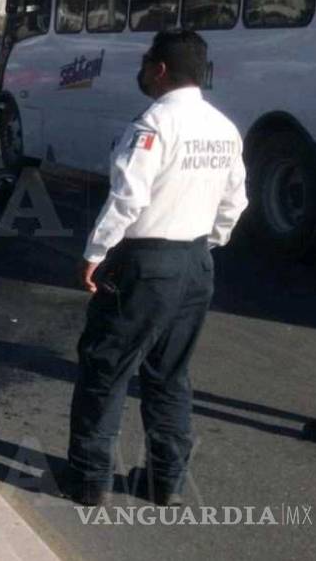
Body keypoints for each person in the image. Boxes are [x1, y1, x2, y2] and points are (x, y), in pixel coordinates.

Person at [63, 30, 248, 507]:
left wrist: (96, 252)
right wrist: (209, 242)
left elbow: (129, 196)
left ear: (160, 69)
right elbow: (235, 201)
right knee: (170, 375)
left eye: (147, 63)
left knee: (106, 367)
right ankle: (165, 480)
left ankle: (88, 478)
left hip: (147, 264)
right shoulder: (223, 127)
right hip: (195, 263)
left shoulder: (153, 124)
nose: (142, 71)